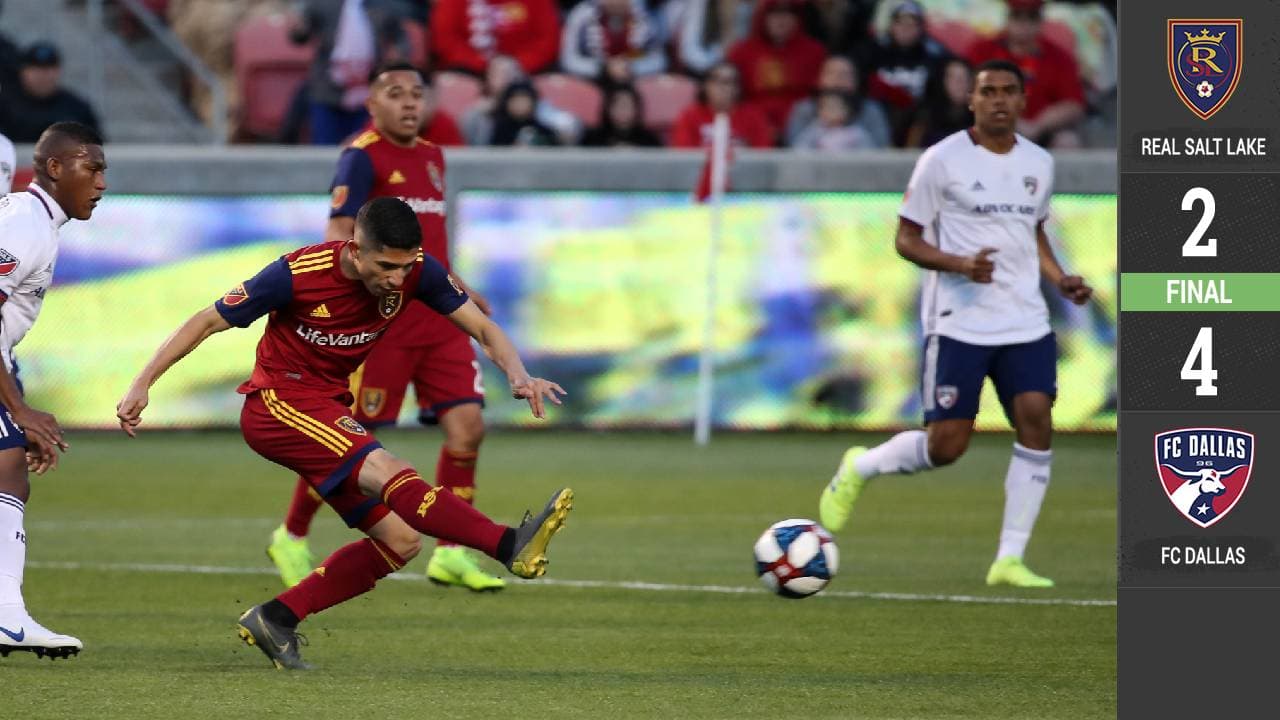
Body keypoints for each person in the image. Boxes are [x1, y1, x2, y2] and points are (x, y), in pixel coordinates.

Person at [116, 197, 574, 671]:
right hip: (277, 403)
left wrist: (519, 375)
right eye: (386, 267)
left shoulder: (418, 271)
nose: (396, 278)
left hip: (327, 407)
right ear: (355, 251)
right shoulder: (297, 273)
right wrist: (142, 383)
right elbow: (208, 319)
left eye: (405, 267)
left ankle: (275, 618)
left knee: (400, 542)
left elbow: (481, 326)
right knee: (386, 469)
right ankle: (508, 544)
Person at [818, 60, 1093, 588]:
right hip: (958, 321)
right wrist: (959, 264)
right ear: (971, 100)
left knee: (1036, 417)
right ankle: (861, 466)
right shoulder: (940, 161)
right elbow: (906, 238)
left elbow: (1032, 230)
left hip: (1024, 319)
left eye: (1008, 91)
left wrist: (1059, 278)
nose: (998, 100)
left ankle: (1009, 558)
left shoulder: (1039, 162)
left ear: (1022, 101)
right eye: (988, 91)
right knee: (946, 446)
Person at [266, 61, 507, 592]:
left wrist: (461, 287)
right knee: (353, 439)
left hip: (437, 318)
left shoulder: (434, 156)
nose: (410, 102)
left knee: (468, 425)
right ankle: (292, 534)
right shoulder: (360, 155)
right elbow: (339, 232)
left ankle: (451, 553)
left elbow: (429, 247)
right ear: (372, 104)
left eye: (417, 93)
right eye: (396, 93)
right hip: (384, 321)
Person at [0, 122, 107, 659]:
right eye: (93, 168)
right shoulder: (26, 224)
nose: (102, 182)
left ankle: (7, 614)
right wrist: (18, 408)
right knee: (7, 469)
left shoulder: (36, 222)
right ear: (55, 167)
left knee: (9, 470)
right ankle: (7, 616)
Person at [288, 0, 413, 144]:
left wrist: (398, 54)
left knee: (365, 149)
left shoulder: (386, 5)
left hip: (369, 91)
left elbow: (401, 38)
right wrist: (299, 29)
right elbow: (299, 36)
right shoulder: (321, 4)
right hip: (327, 90)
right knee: (324, 150)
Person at [968, 0, 1086, 148]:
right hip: (991, 127)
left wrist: (1039, 125)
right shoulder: (982, 50)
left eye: (1031, 17)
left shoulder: (1060, 57)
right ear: (1008, 19)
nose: (1024, 24)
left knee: (1067, 141)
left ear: (1040, 21)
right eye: (1018, 16)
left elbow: (1074, 105)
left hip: (1042, 132)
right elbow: (968, 93)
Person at [724, 0, 827, 136]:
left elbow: (819, 95)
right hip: (752, 120)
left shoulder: (815, 51)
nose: (781, 19)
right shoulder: (741, 52)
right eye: (774, 13)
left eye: (789, 13)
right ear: (763, 17)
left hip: (800, 126)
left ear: (798, 18)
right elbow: (733, 94)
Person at [863, 0, 948, 146]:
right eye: (900, 23)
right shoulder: (873, 51)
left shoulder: (934, 54)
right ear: (891, 26)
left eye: (912, 25)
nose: (906, 29)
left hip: (919, 120)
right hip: (881, 116)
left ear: (921, 28)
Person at [0, 43, 103, 144]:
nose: (42, 75)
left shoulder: (77, 109)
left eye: (48, 69)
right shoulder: (5, 108)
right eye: (36, 69)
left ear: (58, 71)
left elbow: (96, 147)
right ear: (22, 71)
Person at [784, 54, 890, 148]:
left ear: (856, 81)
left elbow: (880, 148)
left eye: (845, 74)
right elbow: (793, 148)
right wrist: (820, 124)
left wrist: (847, 126)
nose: (837, 78)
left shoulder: (870, 110)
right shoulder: (804, 108)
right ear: (820, 78)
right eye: (831, 73)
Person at [430, 0, 560, 76]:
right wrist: (483, 65)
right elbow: (445, 41)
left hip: (526, 73)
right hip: (470, 72)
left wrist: (517, 65)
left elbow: (547, 41)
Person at [559, 0, 666, 87]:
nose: (616, 2)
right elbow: (568, 59)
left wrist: (633, 67)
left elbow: (660, 59)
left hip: (635, 82)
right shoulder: (582, 15)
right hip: (592, 81)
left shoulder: (645, 16)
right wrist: (603, 68)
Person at [670, 61, 773, 149]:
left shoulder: (754, 116)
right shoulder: (689, 116)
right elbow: (683, 155)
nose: (723, 87)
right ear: (705, 86)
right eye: (717, 80)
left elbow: (763, 155)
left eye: (730, 82)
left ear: (738, 89)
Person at [904, 57, 973, 148]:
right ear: (941, 81)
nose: (960, 83)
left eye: (965, 78)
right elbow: (910, 151)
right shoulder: (924, 116)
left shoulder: (979, 116)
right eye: (952, 77)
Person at [580, 84, 661, 147]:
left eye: (627, 105)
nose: (622, 110)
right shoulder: (593, 138)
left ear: (637, 109)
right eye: (618, 105)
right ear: (607, 108)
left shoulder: (649, 139)